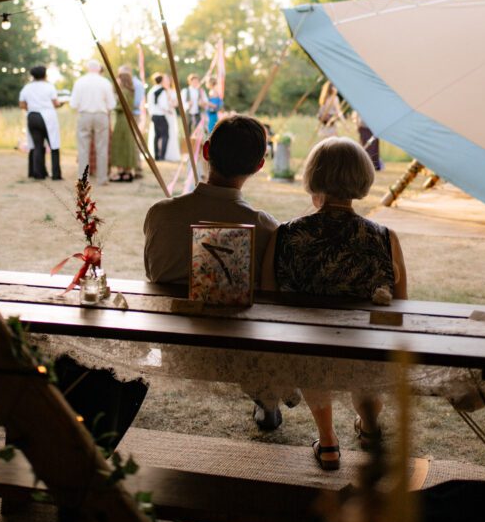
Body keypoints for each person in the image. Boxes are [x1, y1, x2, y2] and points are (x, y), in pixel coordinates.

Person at [261, 136, 408, 470]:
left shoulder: (285, 235)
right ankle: (369, 425)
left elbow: (268, 298)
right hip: (366, 352)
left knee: (315, 355)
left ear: (314, 176)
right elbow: (402, 305)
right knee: (363, 359)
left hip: (308, 350)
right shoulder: (384, 237)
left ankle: (328, 442)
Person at [144, 114, 289, 430]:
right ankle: (266, 399)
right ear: (260, 165)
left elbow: (153, 275)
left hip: (173, 344)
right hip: (237, 348)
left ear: (206, 151)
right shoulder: (265, 227)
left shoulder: (160, 214)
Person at [69, 60, 116, 185]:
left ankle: (83, 178)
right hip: (101, 115)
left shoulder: (80, 82)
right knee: (102, 147)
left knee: (83, 148)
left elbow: (73, 104)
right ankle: (102, 178)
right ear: (99, 69)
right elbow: (112, 104)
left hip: (84, 115)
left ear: (87, 68)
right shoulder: (105, 82)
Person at [19, 65, 63, 180]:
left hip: (32, 116)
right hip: (47, 117)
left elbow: (22, 104)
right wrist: (61, 104)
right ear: (45, 75)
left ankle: (38, 173)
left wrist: (33, 107)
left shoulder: (27, 88)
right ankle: (56, 174)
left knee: (37, 146)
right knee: (54, 144)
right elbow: (55, 103)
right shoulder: (49, 87)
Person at [110, 68, 137, 182]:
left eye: (119, 78)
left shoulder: (123, 92)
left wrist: (111, 108)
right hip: (128, 120)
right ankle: (127, 171)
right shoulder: (130, 91)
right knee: (127, 145)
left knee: (121, 144)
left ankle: (123, 172)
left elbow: (122, 106)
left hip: (122, 120)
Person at [147, 72, 172, 161]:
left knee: (157, 135)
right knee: (165, 135)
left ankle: (156, 155)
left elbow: (149, 104)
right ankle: (162, 156)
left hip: (153, 115)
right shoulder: (162, 91)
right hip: (160, 115)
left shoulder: (151, 90)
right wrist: (168, 110)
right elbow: (163, 104)